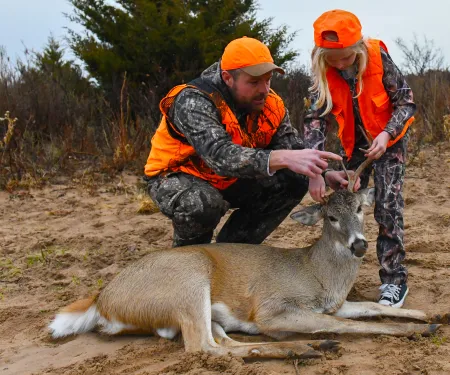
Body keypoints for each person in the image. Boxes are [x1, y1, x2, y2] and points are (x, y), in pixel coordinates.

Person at [144, 36, 352, 248]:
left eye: (268, 80)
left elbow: (291, 147)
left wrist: (325, 174)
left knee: (295, 178)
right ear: (227, 78)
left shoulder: (271, 104)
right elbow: (220, 156)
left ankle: (232, 251)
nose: (264, 89)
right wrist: (281, 158)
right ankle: (188, 262)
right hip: (176, 176)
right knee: (202, 204)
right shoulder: (194, 100)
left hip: (228, 180)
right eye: (254, 82)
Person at [304, 9, 416, 308]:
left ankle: (394, 281)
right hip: (353, 148)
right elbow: (314, 119)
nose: (340, 64)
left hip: (387, 143)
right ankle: (337, 276)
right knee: (345, 203)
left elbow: (406, 103)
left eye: (346, 57)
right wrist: (315, 169)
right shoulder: (320, 71)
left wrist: (388, 134)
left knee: (387, 207)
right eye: (332, 58)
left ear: (358, 48)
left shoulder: (378, 57)